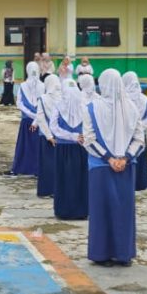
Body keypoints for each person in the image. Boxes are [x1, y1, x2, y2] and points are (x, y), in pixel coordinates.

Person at [83, 69, 145, 267]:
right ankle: (123, 253)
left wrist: (109, 158)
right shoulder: (132, 108)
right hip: (126, 168)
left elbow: (89, 139)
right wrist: (125, 158)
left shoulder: (92, 107)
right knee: (123, 210)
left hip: (100, 166)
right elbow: (139, 140)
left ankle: (101, 254)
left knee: (101, 211)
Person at [51, 79, 89, 220]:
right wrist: (79, 136)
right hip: (80, 148)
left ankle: (64, 210)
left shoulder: (59, 105)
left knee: (64, 178)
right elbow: (89, 125)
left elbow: (54, 127)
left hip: (63, 148)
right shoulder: (84, 106)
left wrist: (70, 136)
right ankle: (81, 210)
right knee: (80, 179)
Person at [7, 61, 44, 177]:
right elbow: (19, 103)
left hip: (31, 120)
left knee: (29, 146)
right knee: (30, 145)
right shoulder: (28, 86)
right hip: (37, 121)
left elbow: (19, 103)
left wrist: (30, 114)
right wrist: (35, 115)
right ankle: (33, 169)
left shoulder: (40, 86)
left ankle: (29, 168)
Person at [122, 71, 147, 191]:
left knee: (126, 157)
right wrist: (140, 128)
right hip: (141, 135)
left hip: (124, 135)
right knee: (139, 157)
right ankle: (139, 182)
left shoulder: (122, 98)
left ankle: (126, 181)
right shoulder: (144, 99)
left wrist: (130, 128)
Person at [33, 75, 61, 198]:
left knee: (46, 164)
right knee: (60, 164)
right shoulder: (64, 98)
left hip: (46, 136)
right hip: (61, 137)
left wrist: (49, 135)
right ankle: (59, 189)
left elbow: (40, 118)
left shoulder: (43, 99)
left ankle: (46, 190)